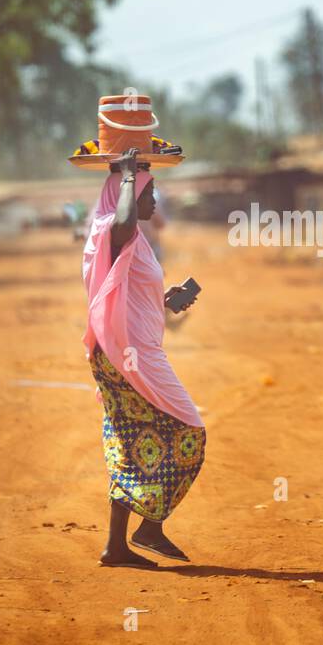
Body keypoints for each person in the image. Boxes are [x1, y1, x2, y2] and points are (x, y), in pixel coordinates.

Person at [83, 147, 204, 568]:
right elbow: (122, 222)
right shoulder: (113, 229)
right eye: (149, 194)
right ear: (131, 197)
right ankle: (148, 528)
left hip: (124, 351)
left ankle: (119, 545)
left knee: (132, 442)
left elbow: (126, 294)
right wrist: (131, 176)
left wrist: (165, 301)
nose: (154, 202)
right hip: (127, 357)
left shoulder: (133, 241)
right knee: (191, 430)